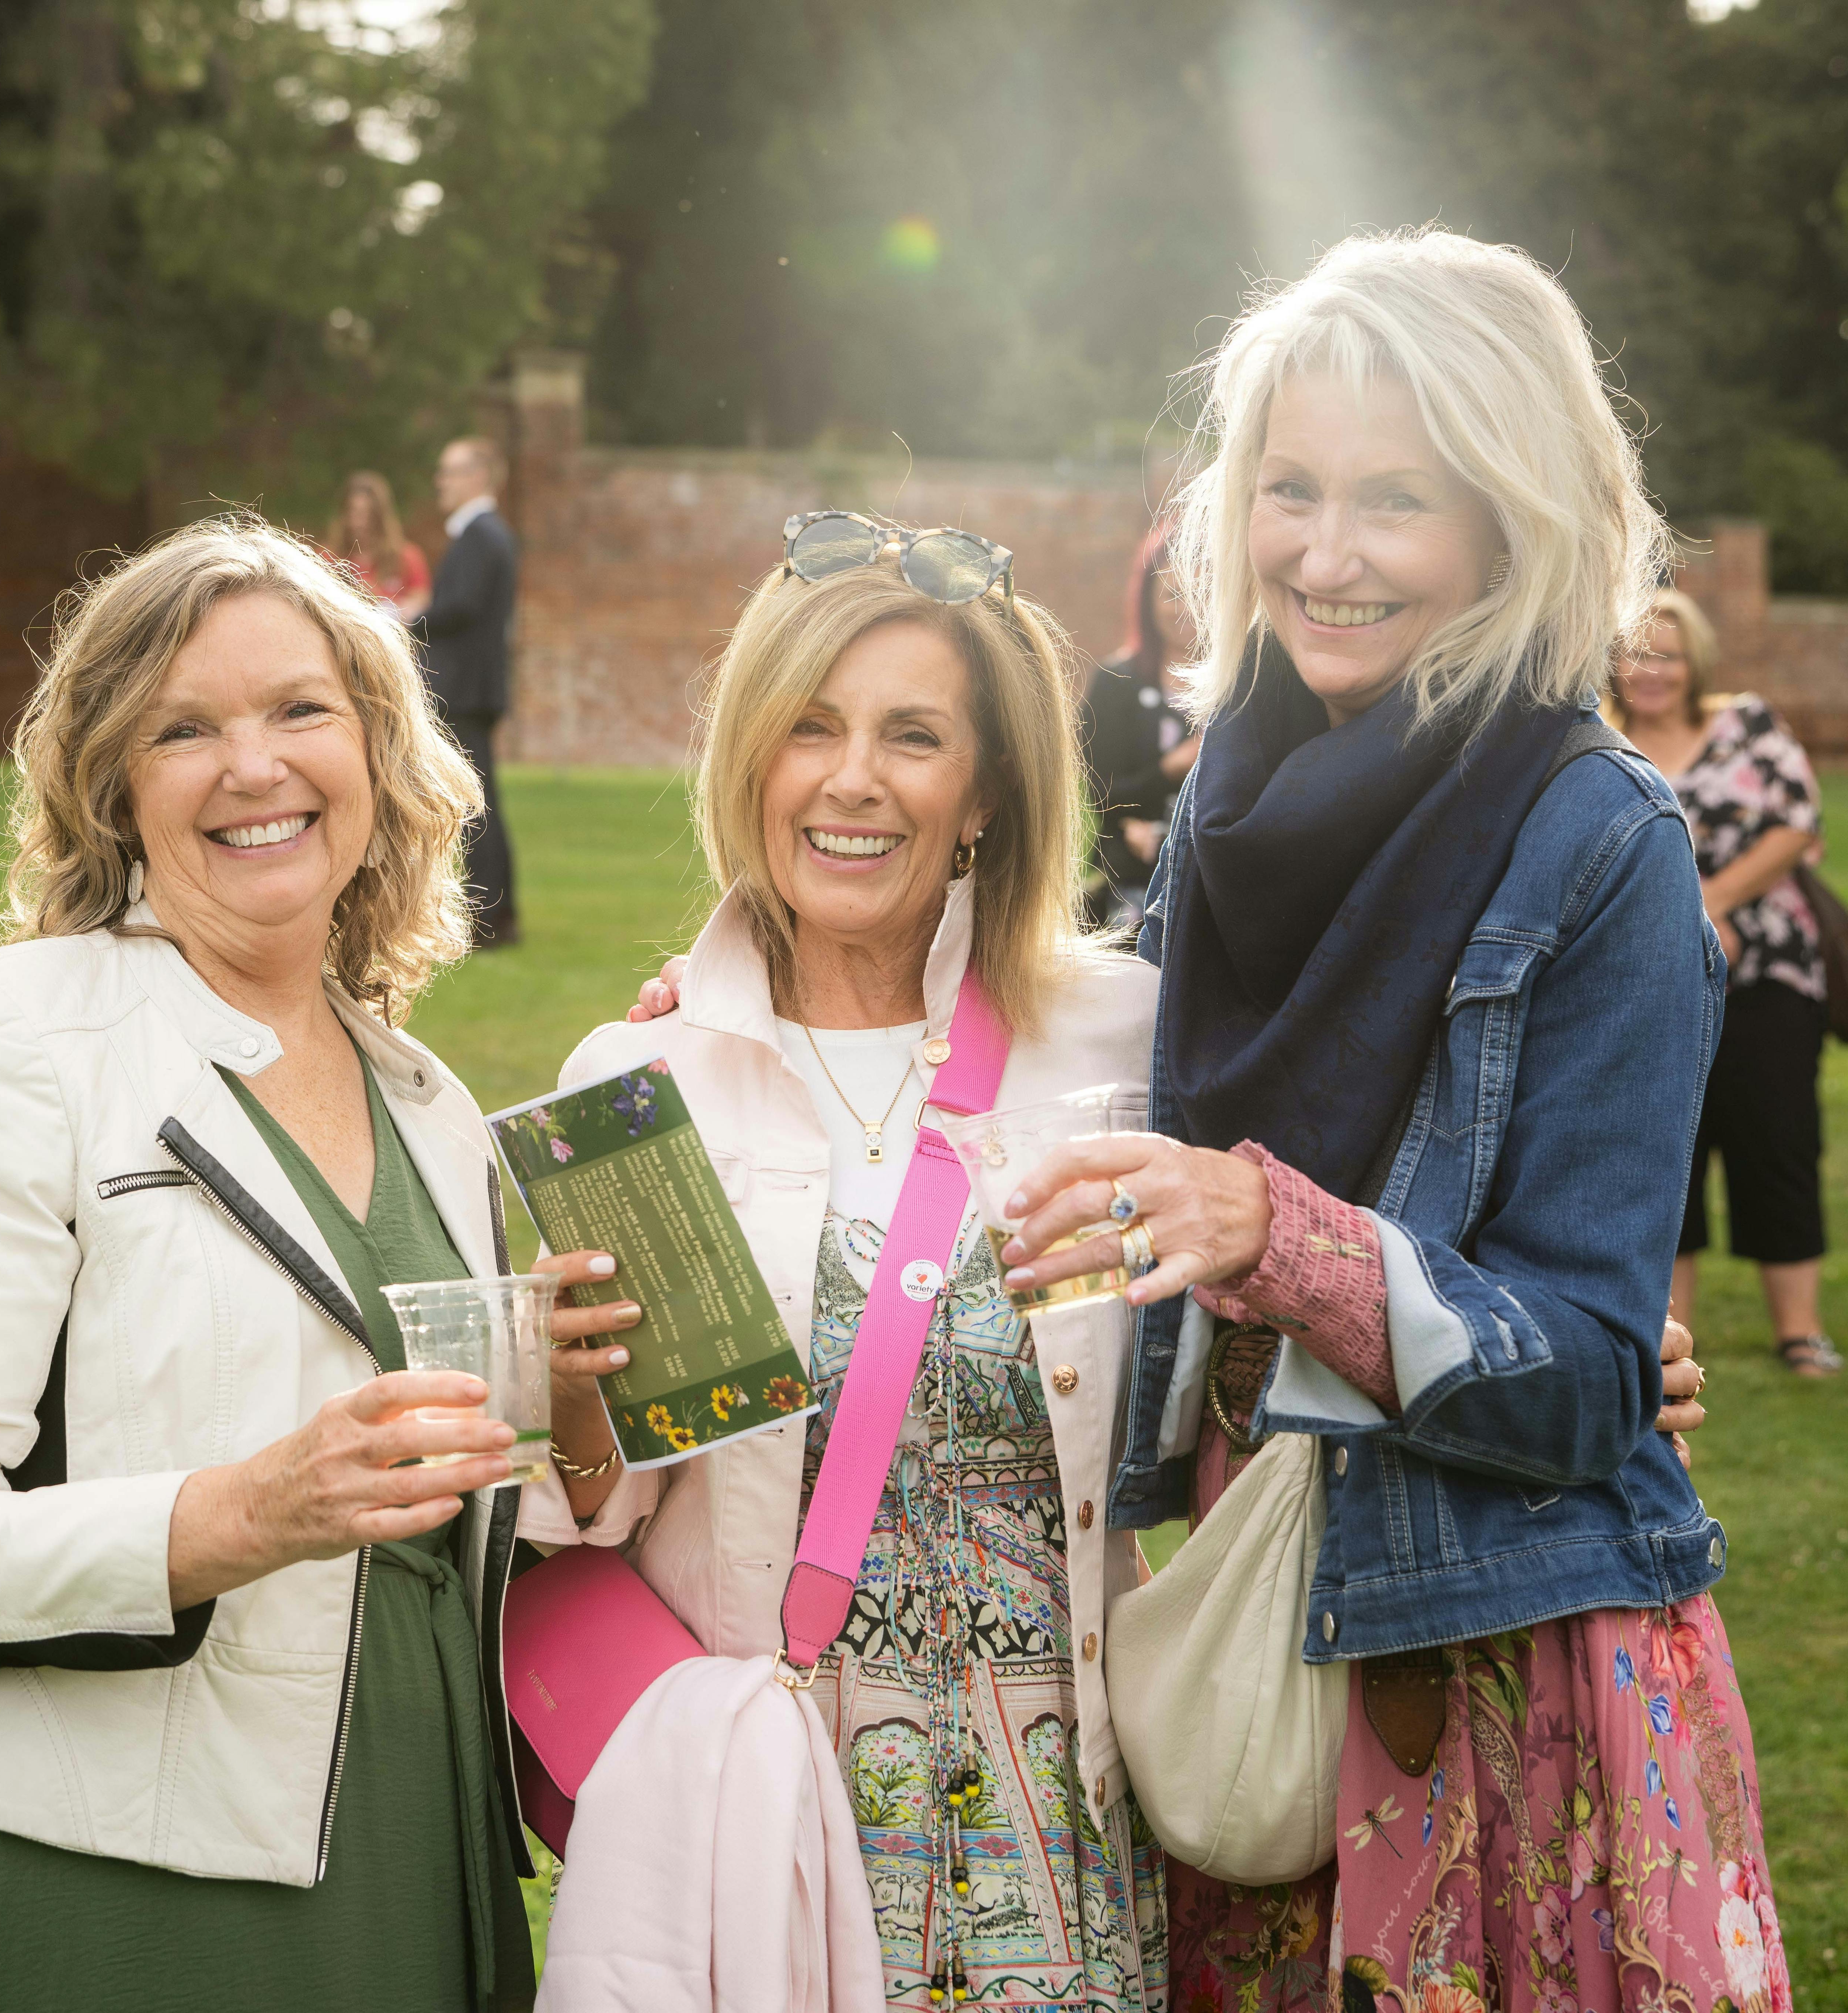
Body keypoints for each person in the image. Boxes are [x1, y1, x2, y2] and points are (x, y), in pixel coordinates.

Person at [999, 231, 1782, 2013]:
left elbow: (1587, 1373)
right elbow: (1089, 1060)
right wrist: (759, 998)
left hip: (1497, 1677)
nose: (1323, 558)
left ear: (1513, 522)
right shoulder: (1237, 804)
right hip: (1261, 1655)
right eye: (1289, 491)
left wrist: (1273, 1237)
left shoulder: (1606, 849)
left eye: (1396, 505)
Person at [0, 513, 636, 2013]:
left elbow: (454, 1516)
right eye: (186, 728)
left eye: (301, 711)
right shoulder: (12, 1038)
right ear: (114, 787)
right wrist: (241, 1513)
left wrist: (566, 1409)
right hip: (114, 1871)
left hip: (412, 1809)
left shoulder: (428, 1099)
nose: (255, 768)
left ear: (376, 757)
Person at [524, 515, 1175, 2011]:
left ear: (985, 794)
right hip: (775, 1814)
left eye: (911, 736)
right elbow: (604, 1499)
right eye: (808, 727)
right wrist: (567, 1399)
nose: (851, 779)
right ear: (750, 760)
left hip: (1061, 1807)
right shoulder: (637, 1083)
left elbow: (1244, 1335)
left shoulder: (1124, 1040)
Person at [1612, 591, 1843, 1378]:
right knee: (1661, 1156)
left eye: (1667, 655)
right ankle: (1669, 1340)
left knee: (1776, 1144)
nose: (1651, 671)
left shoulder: (1746, 723)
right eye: (1636, 652)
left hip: (1767, 975)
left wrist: (1710, 901)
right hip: (1644, 986)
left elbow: (1799, 820)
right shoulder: (1597, 743)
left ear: (1696, 661)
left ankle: (1800, 1332)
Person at [413, 436, 522, 945]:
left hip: (467, 691)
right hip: (474, 690)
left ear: (479, 476)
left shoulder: (482, 535)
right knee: (479, 803)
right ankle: (500, 917)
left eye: (450, 472)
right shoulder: (484, 535)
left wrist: (406, 620)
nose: (441, 482)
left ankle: (489, 919)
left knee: (475, 806)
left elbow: (459, 608)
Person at [1078, 526, 1201, 931]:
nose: (1185, 608)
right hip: (1126, 883)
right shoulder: (1116, 682)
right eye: (1173, 593)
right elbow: (1099, 791)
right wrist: (1173, 768)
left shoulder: (1240, 688)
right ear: (1148, 598)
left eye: (1201, 593)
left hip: (1208, 882)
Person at [331, 469, 431, 619]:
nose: (359, 523)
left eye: (368, 515)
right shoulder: (328, 557)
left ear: (381, 518)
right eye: (353, 513)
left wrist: (388, 610)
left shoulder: (407, 556)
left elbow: (421, 601)